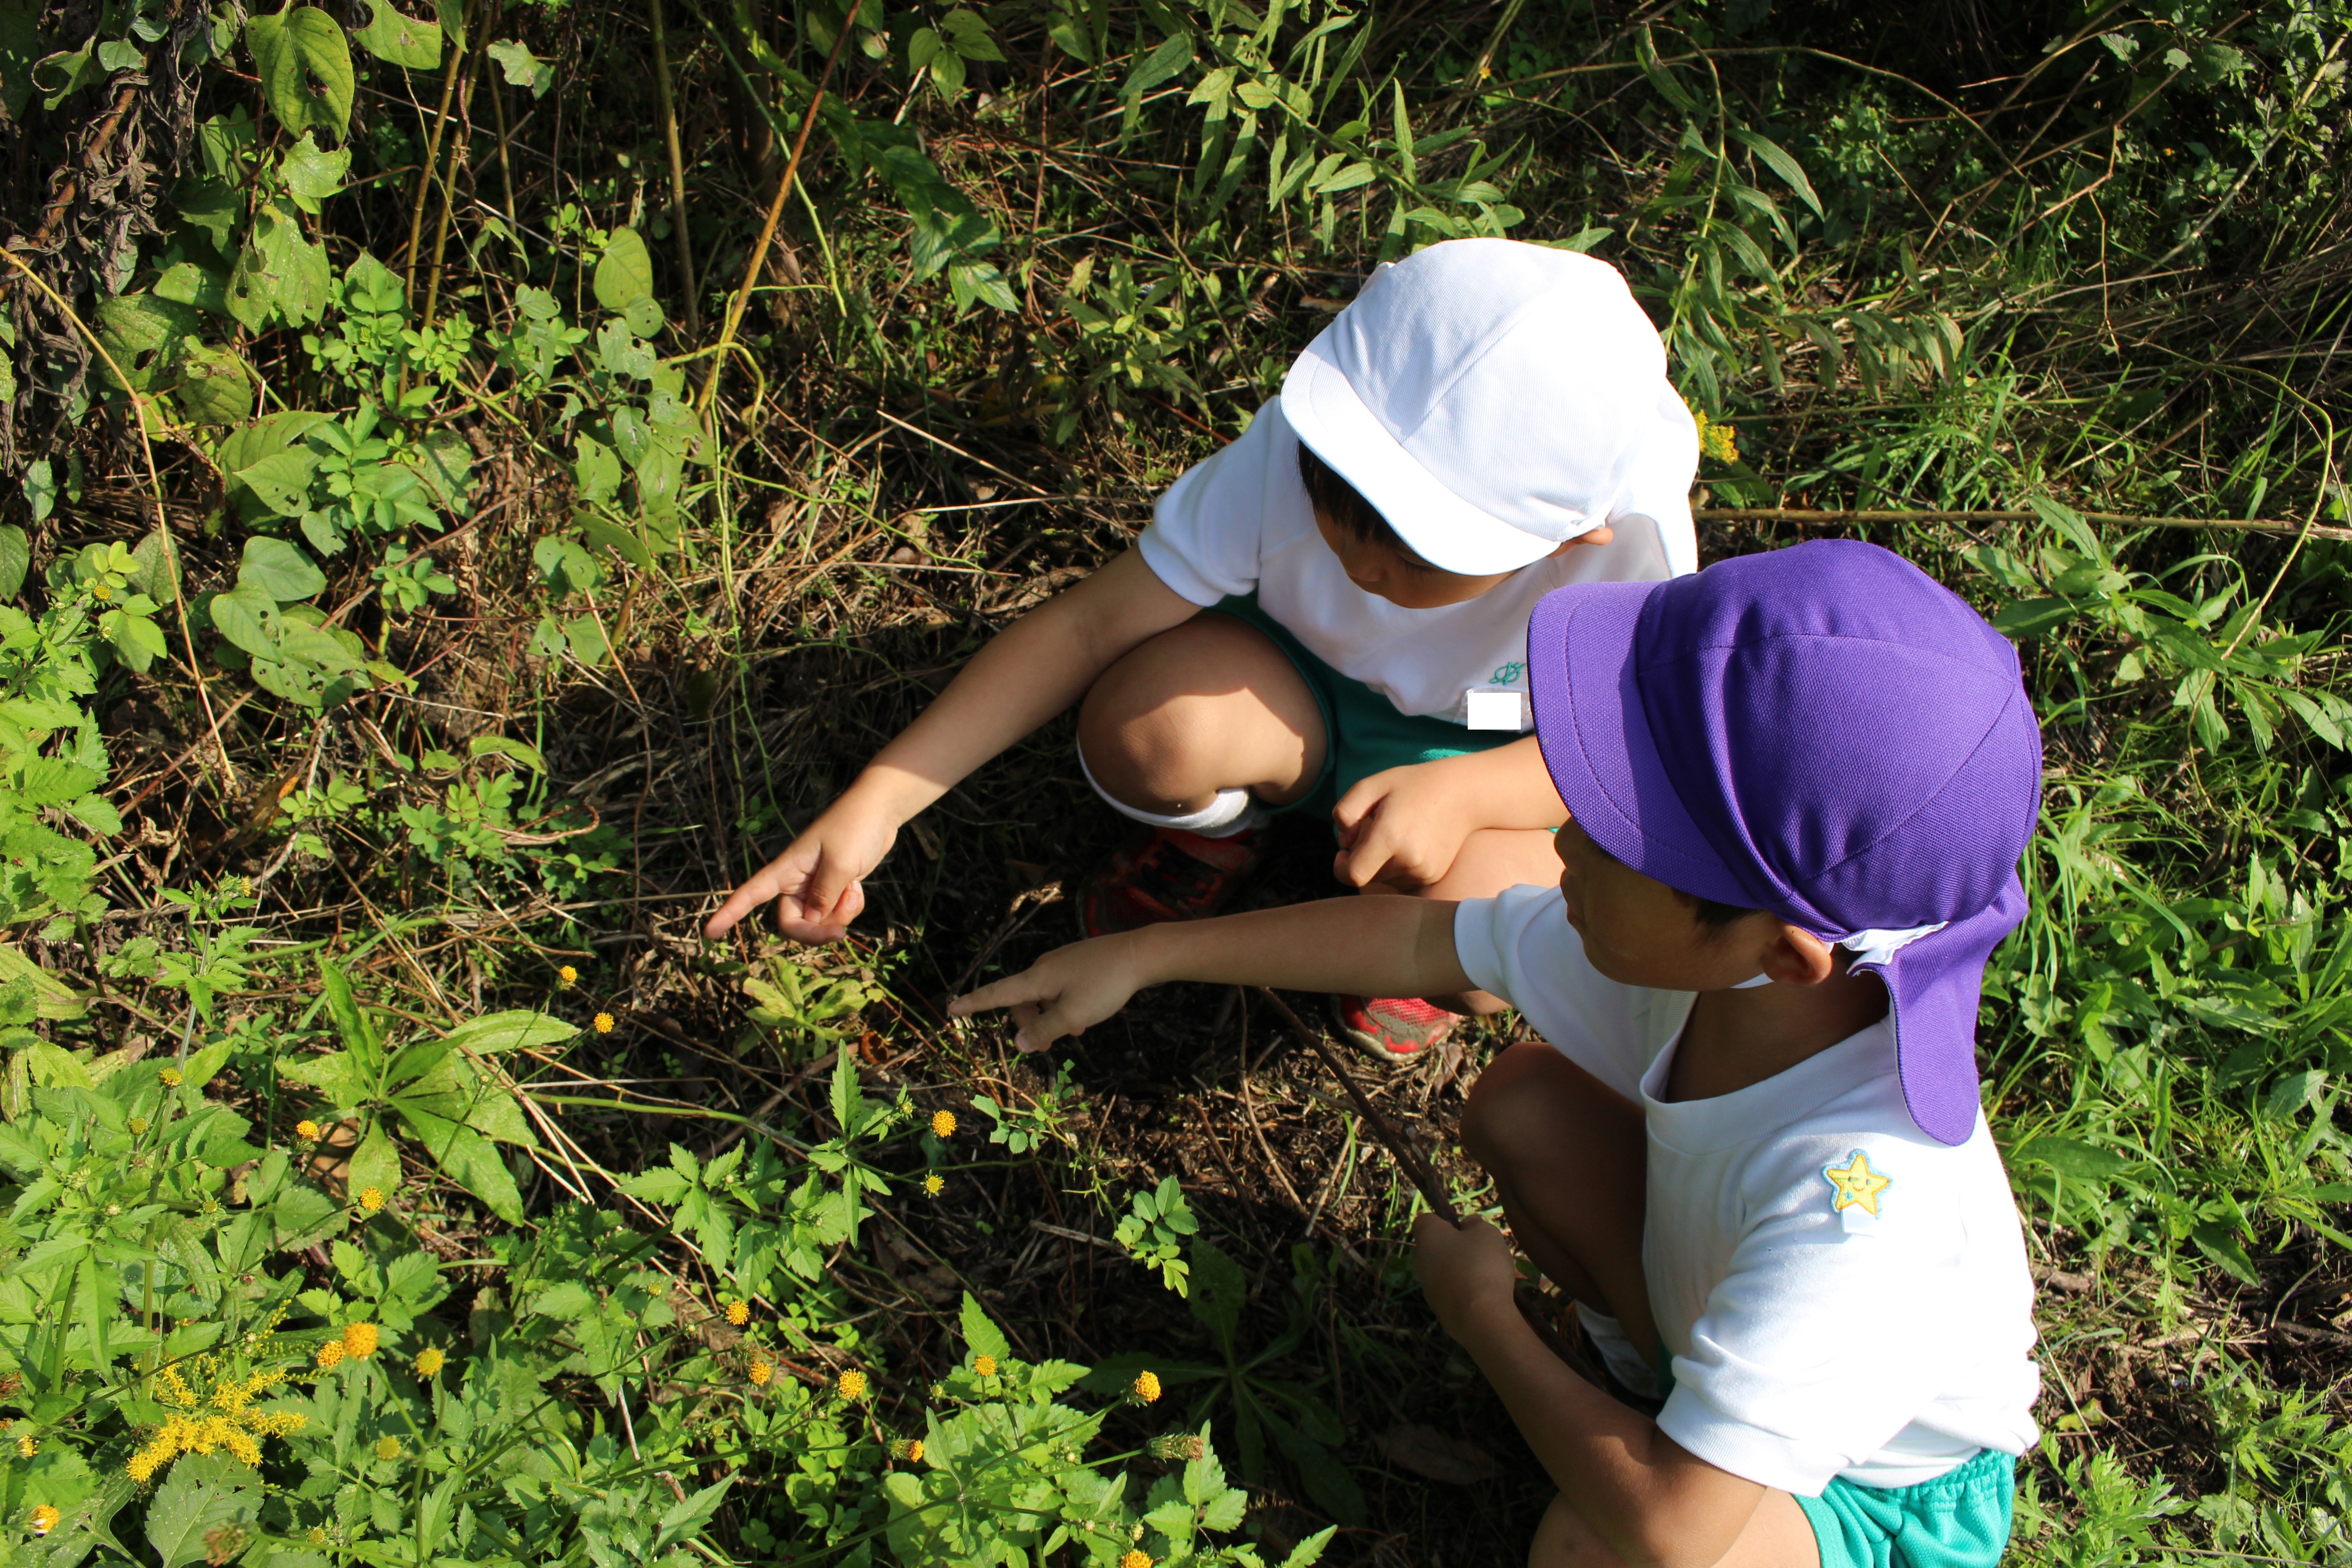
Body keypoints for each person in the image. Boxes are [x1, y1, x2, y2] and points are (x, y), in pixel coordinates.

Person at [949, 539, 2046, 1568]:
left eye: (1621, 837)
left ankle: (1680, 1431)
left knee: (1597, 1546)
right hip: (1726, 1315)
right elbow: (1425, 941)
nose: (1561, 838)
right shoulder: (1726, 977)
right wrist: (1149, 958)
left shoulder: (1862, 1207)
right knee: (1528, 1108)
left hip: (1875, 1499)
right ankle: (1663, 1394)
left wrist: (1484, 1318)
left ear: (1784, 951)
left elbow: (1671, 1530)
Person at [704, 238, 1700, 1063]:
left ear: (1570, 540)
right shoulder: (1307, 448)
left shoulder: (1635, 562)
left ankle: (1413, 943)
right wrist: (882, 799)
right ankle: (1230, 829)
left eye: (1417, 557)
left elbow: (1622, 757)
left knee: (1511, 927)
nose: (1360, 564)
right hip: (1296, 689)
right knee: (1152, 727)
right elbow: (1090, 625)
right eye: (1335, 511)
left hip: (1482, 745)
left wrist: (1468, 794)